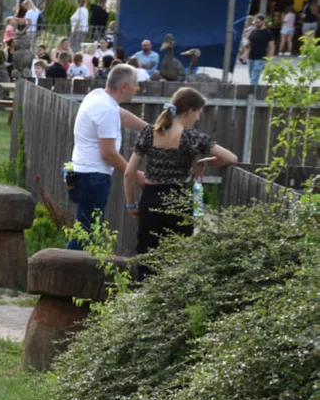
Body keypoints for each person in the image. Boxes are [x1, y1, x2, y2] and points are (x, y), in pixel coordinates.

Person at [124, 87, 237, 261]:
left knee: (147, 256)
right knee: (177, 257)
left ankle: (143, 288)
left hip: (150, 198)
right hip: (177, 200)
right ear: (190, 110)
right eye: (198, 112)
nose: (198, 117)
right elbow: (231, 158)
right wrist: (203, 162)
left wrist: (131, 204)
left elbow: (128, 173)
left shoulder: (148, 133)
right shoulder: (192, 137)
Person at [65, 63, 146, 251]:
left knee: (84, 230)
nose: (138, 88)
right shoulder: (106, 109)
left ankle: (71, 272)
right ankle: (70, 275)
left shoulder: (98, 96)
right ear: (124, 86)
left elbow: (122, 116)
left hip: (83, 173)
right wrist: (134, 174)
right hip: (94, 177)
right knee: (86, 235)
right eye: (136, 84)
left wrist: (150, 129)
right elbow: (108, 152)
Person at [243, 16, 275, 86]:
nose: (255, 24)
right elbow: (249, 43)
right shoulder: (253, 31)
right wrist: (246, 45)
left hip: (260, 58)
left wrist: (268, 60)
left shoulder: (268, 32)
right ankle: (255, 93)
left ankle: (252, 95)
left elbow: (271, 47)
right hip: (251, 57)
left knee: (254, 79)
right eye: (255, 22)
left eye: (257, 22)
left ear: (263, 22)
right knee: (252, 78)